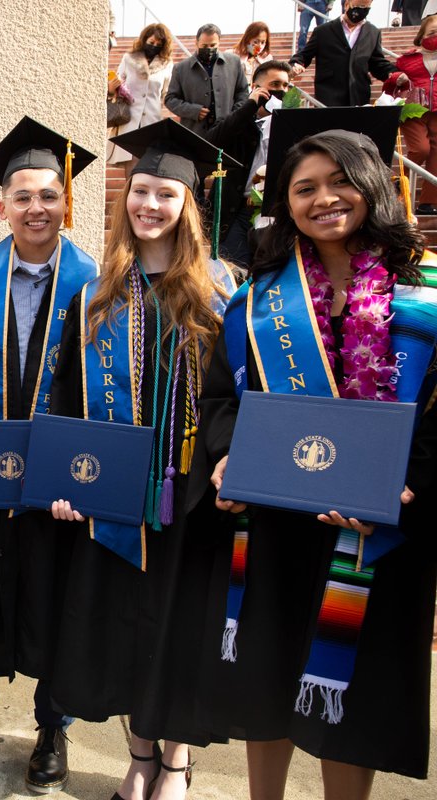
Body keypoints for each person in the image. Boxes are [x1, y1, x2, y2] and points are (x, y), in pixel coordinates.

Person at [202, 111, 437, 800]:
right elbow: (220, 401)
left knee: (355, 694)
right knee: (266, 678)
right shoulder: (255, 302)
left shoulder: (424, 294)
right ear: (286, 204)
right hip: (277, 519)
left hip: (376, 524)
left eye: (339, 182)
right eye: (304, 188)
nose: (323, 199)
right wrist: (225, 458)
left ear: (373, 185)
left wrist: (403, 485)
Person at [47, 119, 239, 800]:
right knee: (123, 626)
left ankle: (177, 761)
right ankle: (138, 755)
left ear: (189, 204)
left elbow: (238, 398)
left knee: (179, 627)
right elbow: (68, 399)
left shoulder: (221, 295)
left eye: (165, 194)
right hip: (116, 496)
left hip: (193, 499)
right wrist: (69, 482)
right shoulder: (98, 295)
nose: (148, 206)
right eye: (138, 192)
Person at [0, 118, 99, 794]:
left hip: (59, 488)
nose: (37, 207)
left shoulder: (99, 286)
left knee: (55, 600)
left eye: (50, 195)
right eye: (23, 196)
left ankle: (51, 726)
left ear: (68, 202)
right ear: (0, 205)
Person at [208, 60, 294, 268]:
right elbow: (212, 142)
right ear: (257, 87)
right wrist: (249, 107)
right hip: (239, 209)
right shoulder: (239, 120)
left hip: (276, 211)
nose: (281, 91)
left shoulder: (292, 122)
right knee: (233, 267)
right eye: (275, 85)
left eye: (285, 86)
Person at [289, 0, 395, 107]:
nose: (361, 10)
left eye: (366, 7)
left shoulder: (373, 32)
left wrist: (393, 73)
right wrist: (296, 64)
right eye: (358, 5)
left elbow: (377, 63)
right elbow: (304, 55)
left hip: (359, 97)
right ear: (346, 4)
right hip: (328, 97)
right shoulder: (322, 31)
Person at [387, 15, 437, 214]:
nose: (436, 36)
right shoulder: (407, 59)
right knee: (420, 149)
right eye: (432, 32)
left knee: (436, 156)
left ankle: (428, 203)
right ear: (421, 36)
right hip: (414, 110)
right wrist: (398, 77)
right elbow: (391, 80)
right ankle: (400, 184)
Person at [110, 23, 176, 174]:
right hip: (129, 119)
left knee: (149, 170)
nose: (154, 46)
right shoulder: (128, 58)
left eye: (159, 44)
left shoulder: (167, 64)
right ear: (144, 39)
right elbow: (118, 80)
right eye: (151, 42)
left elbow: (167, 93)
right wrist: (111, 87)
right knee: (131, 172)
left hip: (152, 122)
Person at [166, 24, 250, 137]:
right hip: (195, 132)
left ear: (219, 42)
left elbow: (243, 92)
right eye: (204, 45)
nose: (209, 49)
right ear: (196, 43)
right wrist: (193, 111)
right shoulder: (181, 68)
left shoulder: (234, 62)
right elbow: (170, 99)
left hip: (227, 131)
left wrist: (234, 115)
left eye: (213, 45)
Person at [233, 21, 274, 87]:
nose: (259, 46)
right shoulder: (233, 55)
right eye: (256, 42)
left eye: (263, 42)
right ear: (248, 39)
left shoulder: (267, 59)